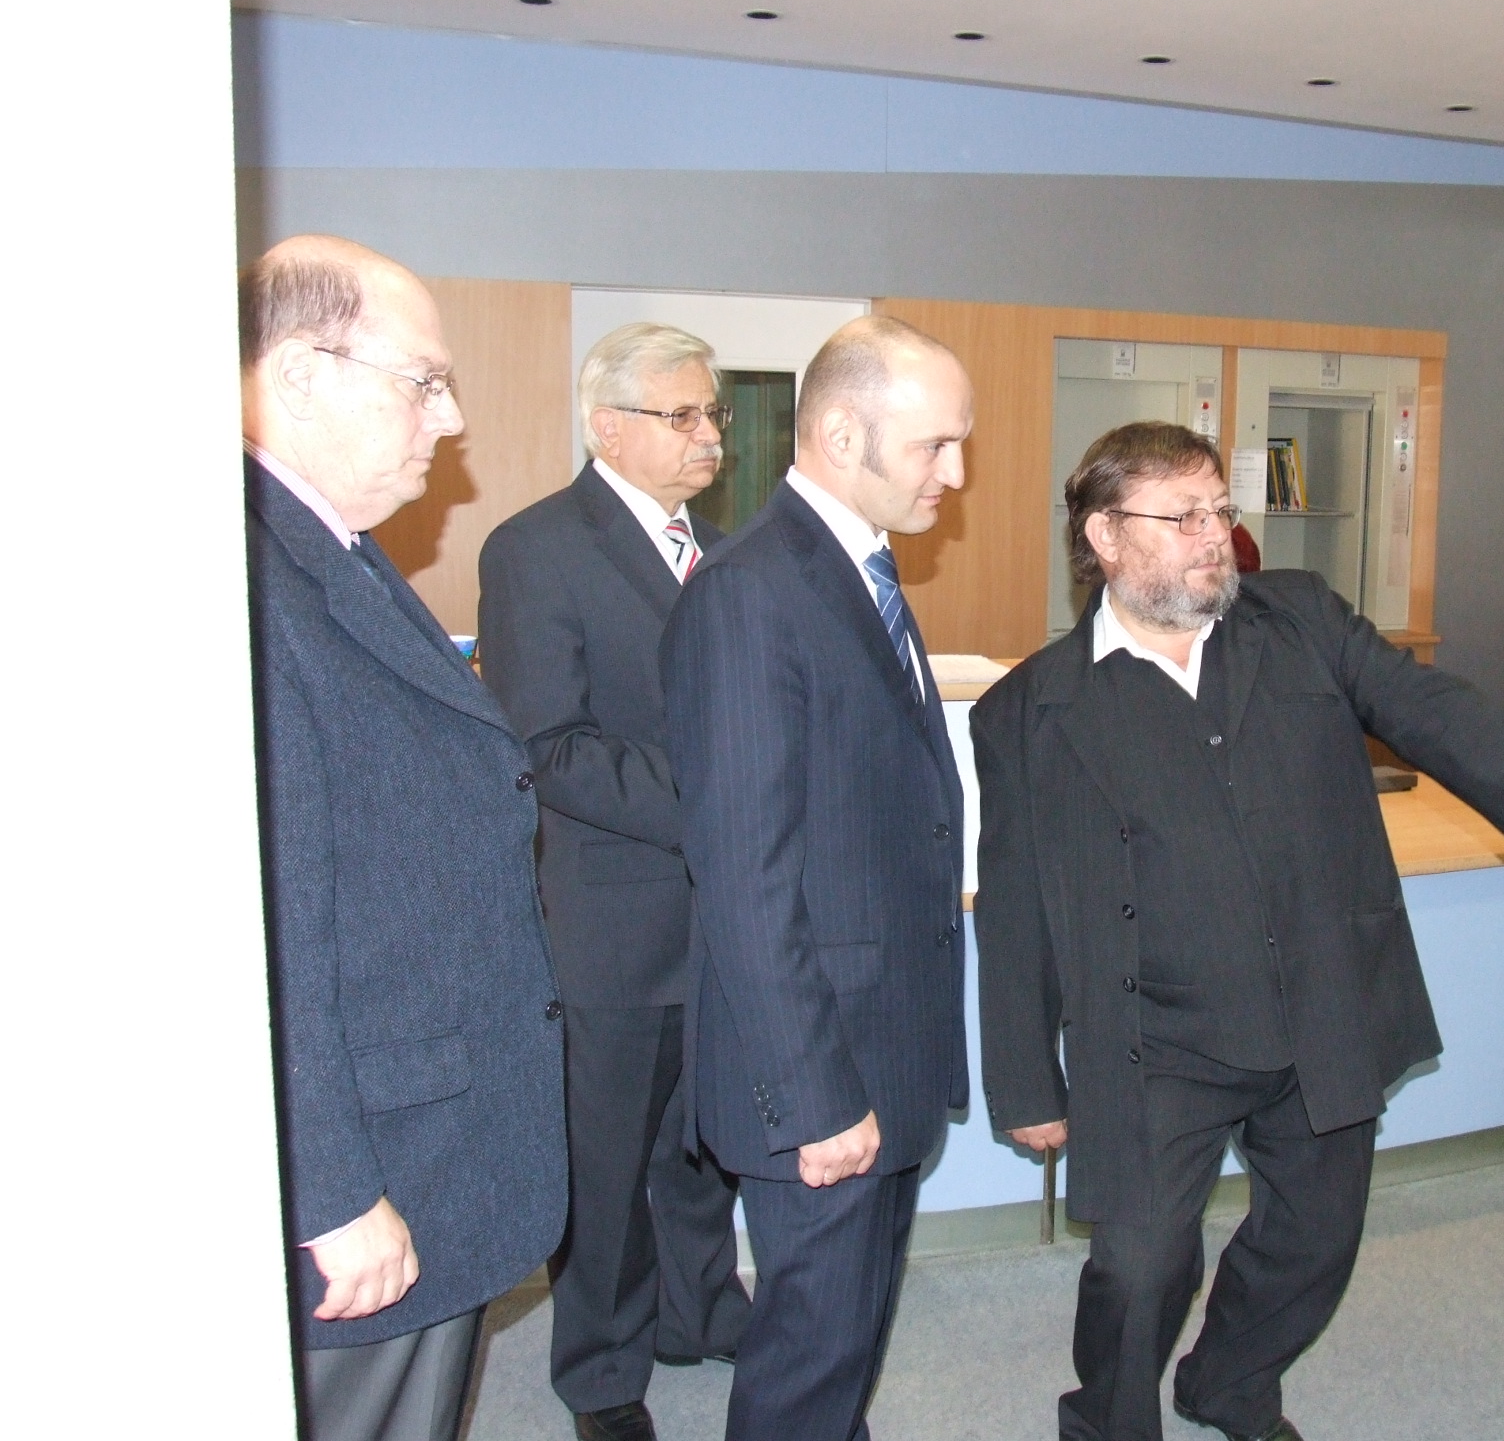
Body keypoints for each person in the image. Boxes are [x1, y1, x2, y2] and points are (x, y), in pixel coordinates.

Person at [972, 422, 1504, 1441]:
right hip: (1157, 1039)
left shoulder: (1299, 620)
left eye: (1219, 510)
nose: (1214, 535)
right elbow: (1015, 901)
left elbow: (1431, 708)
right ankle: (1106, 1423)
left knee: (1316, 1239)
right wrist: (1024, 1078)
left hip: (1319, 1001)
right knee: (1140, 1268)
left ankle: (1227, 1384)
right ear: (1103, 535)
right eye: (1182, 515)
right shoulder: (1030, 709)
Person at [241, 235, 568, 1441]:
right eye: (422, 381)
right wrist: (328, 1193)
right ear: (300, 373)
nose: (452, 417)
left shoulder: (334, 552)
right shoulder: (244, 581)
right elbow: (262, 930)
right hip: (368, 1171)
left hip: (427, 1140)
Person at [661, 315, 973, 1441]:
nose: (955, 473)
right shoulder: (751, 590)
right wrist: (817, 1098)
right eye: (935, 445)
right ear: (842, 434)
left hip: (879, 1047)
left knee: (841, 1355)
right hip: (820, 1073)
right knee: (807, 1368)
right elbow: (744, 877)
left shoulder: (855, 566)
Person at [478, 323, 753, 1441]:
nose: (708, 437)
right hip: (611, 922)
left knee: (705, 1144)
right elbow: (548, 746)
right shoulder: (535, 548)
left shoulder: (727, 552)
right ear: (607, 427)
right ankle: (599, 1373)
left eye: (712, 415)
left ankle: (699, 1311)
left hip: (723, 919)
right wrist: (722, 801)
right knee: (604, 1164)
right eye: (680, 415)